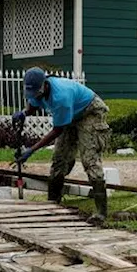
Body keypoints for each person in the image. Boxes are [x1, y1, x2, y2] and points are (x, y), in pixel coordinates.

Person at [13, 67, 111, 223]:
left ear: (44, 85)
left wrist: (31, 150)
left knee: (89, 159)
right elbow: (33, 105)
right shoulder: (36, 89)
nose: (34, 95)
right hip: (70, 115)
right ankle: (53, 203)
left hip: (89, 112)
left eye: (36, 92)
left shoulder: (60, 98)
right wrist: (23, 113)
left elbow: (58, 130)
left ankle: (101, 212)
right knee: (59, 159)